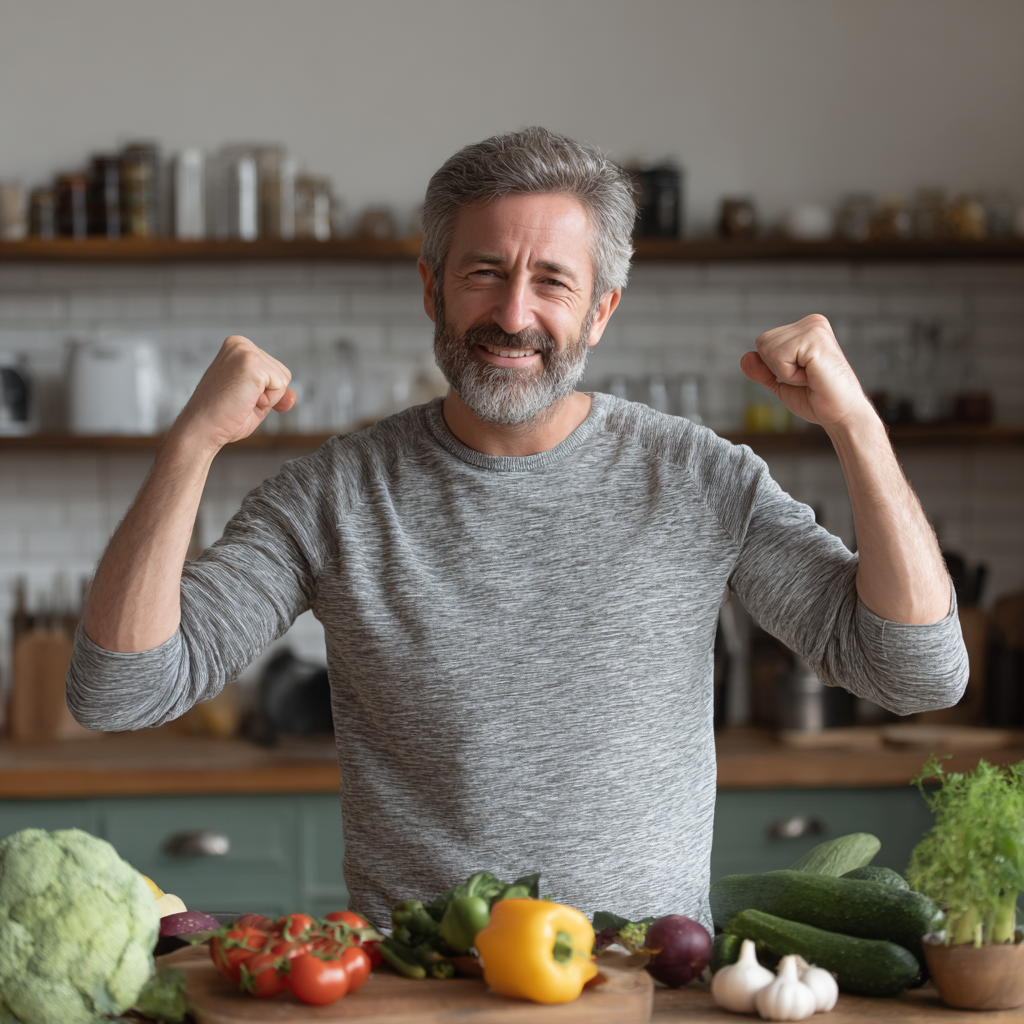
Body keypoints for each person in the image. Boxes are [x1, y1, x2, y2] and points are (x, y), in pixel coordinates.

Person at [68, 127, 966, 930]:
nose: (513, 315)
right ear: (432, 289)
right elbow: (120, 693)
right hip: (419, 991)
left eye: (552, 281)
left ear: (601, 310)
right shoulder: (334, 495)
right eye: (485, 272)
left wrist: (858, 426)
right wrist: (194, 442)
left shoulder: (699, 479)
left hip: (640, 989)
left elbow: (915, 670)